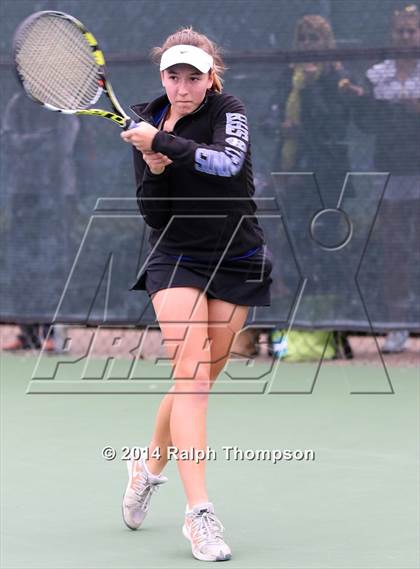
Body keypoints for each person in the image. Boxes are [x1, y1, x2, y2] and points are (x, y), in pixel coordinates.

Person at [120, 28, 273, 562]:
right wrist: (155, 170)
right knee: (192, 376)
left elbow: (228, 164)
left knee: (208, 371)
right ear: (161, 76)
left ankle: (146, 468)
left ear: (212, 77)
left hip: (237, 254)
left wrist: (161, 145)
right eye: (173, 75)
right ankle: (199, 513)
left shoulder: (230, 109)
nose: (183, 86)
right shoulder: (144, 123)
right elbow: (153, 215)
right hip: (176, 256)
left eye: (194, 75)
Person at [354, 4, 420, 353]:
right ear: (392, 34)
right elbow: (366, 122)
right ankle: (398, 326)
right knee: (396, 249)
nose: (406, 36)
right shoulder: (377, 75)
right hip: (393, 172)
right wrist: (365, 102)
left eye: (412, 30)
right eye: (401, 31)